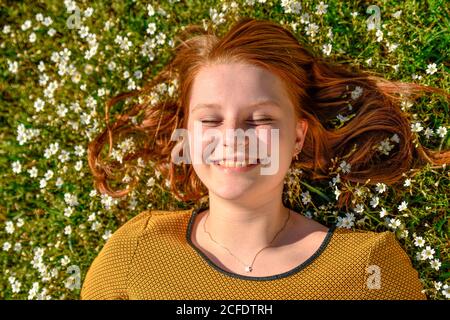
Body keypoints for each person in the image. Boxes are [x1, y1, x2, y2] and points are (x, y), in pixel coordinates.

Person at [81, 17, 449, 299]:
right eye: (210, 119)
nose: (232, 138)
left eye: (260, 120)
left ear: (297, 136)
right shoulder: (135, 249)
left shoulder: (368, 266)